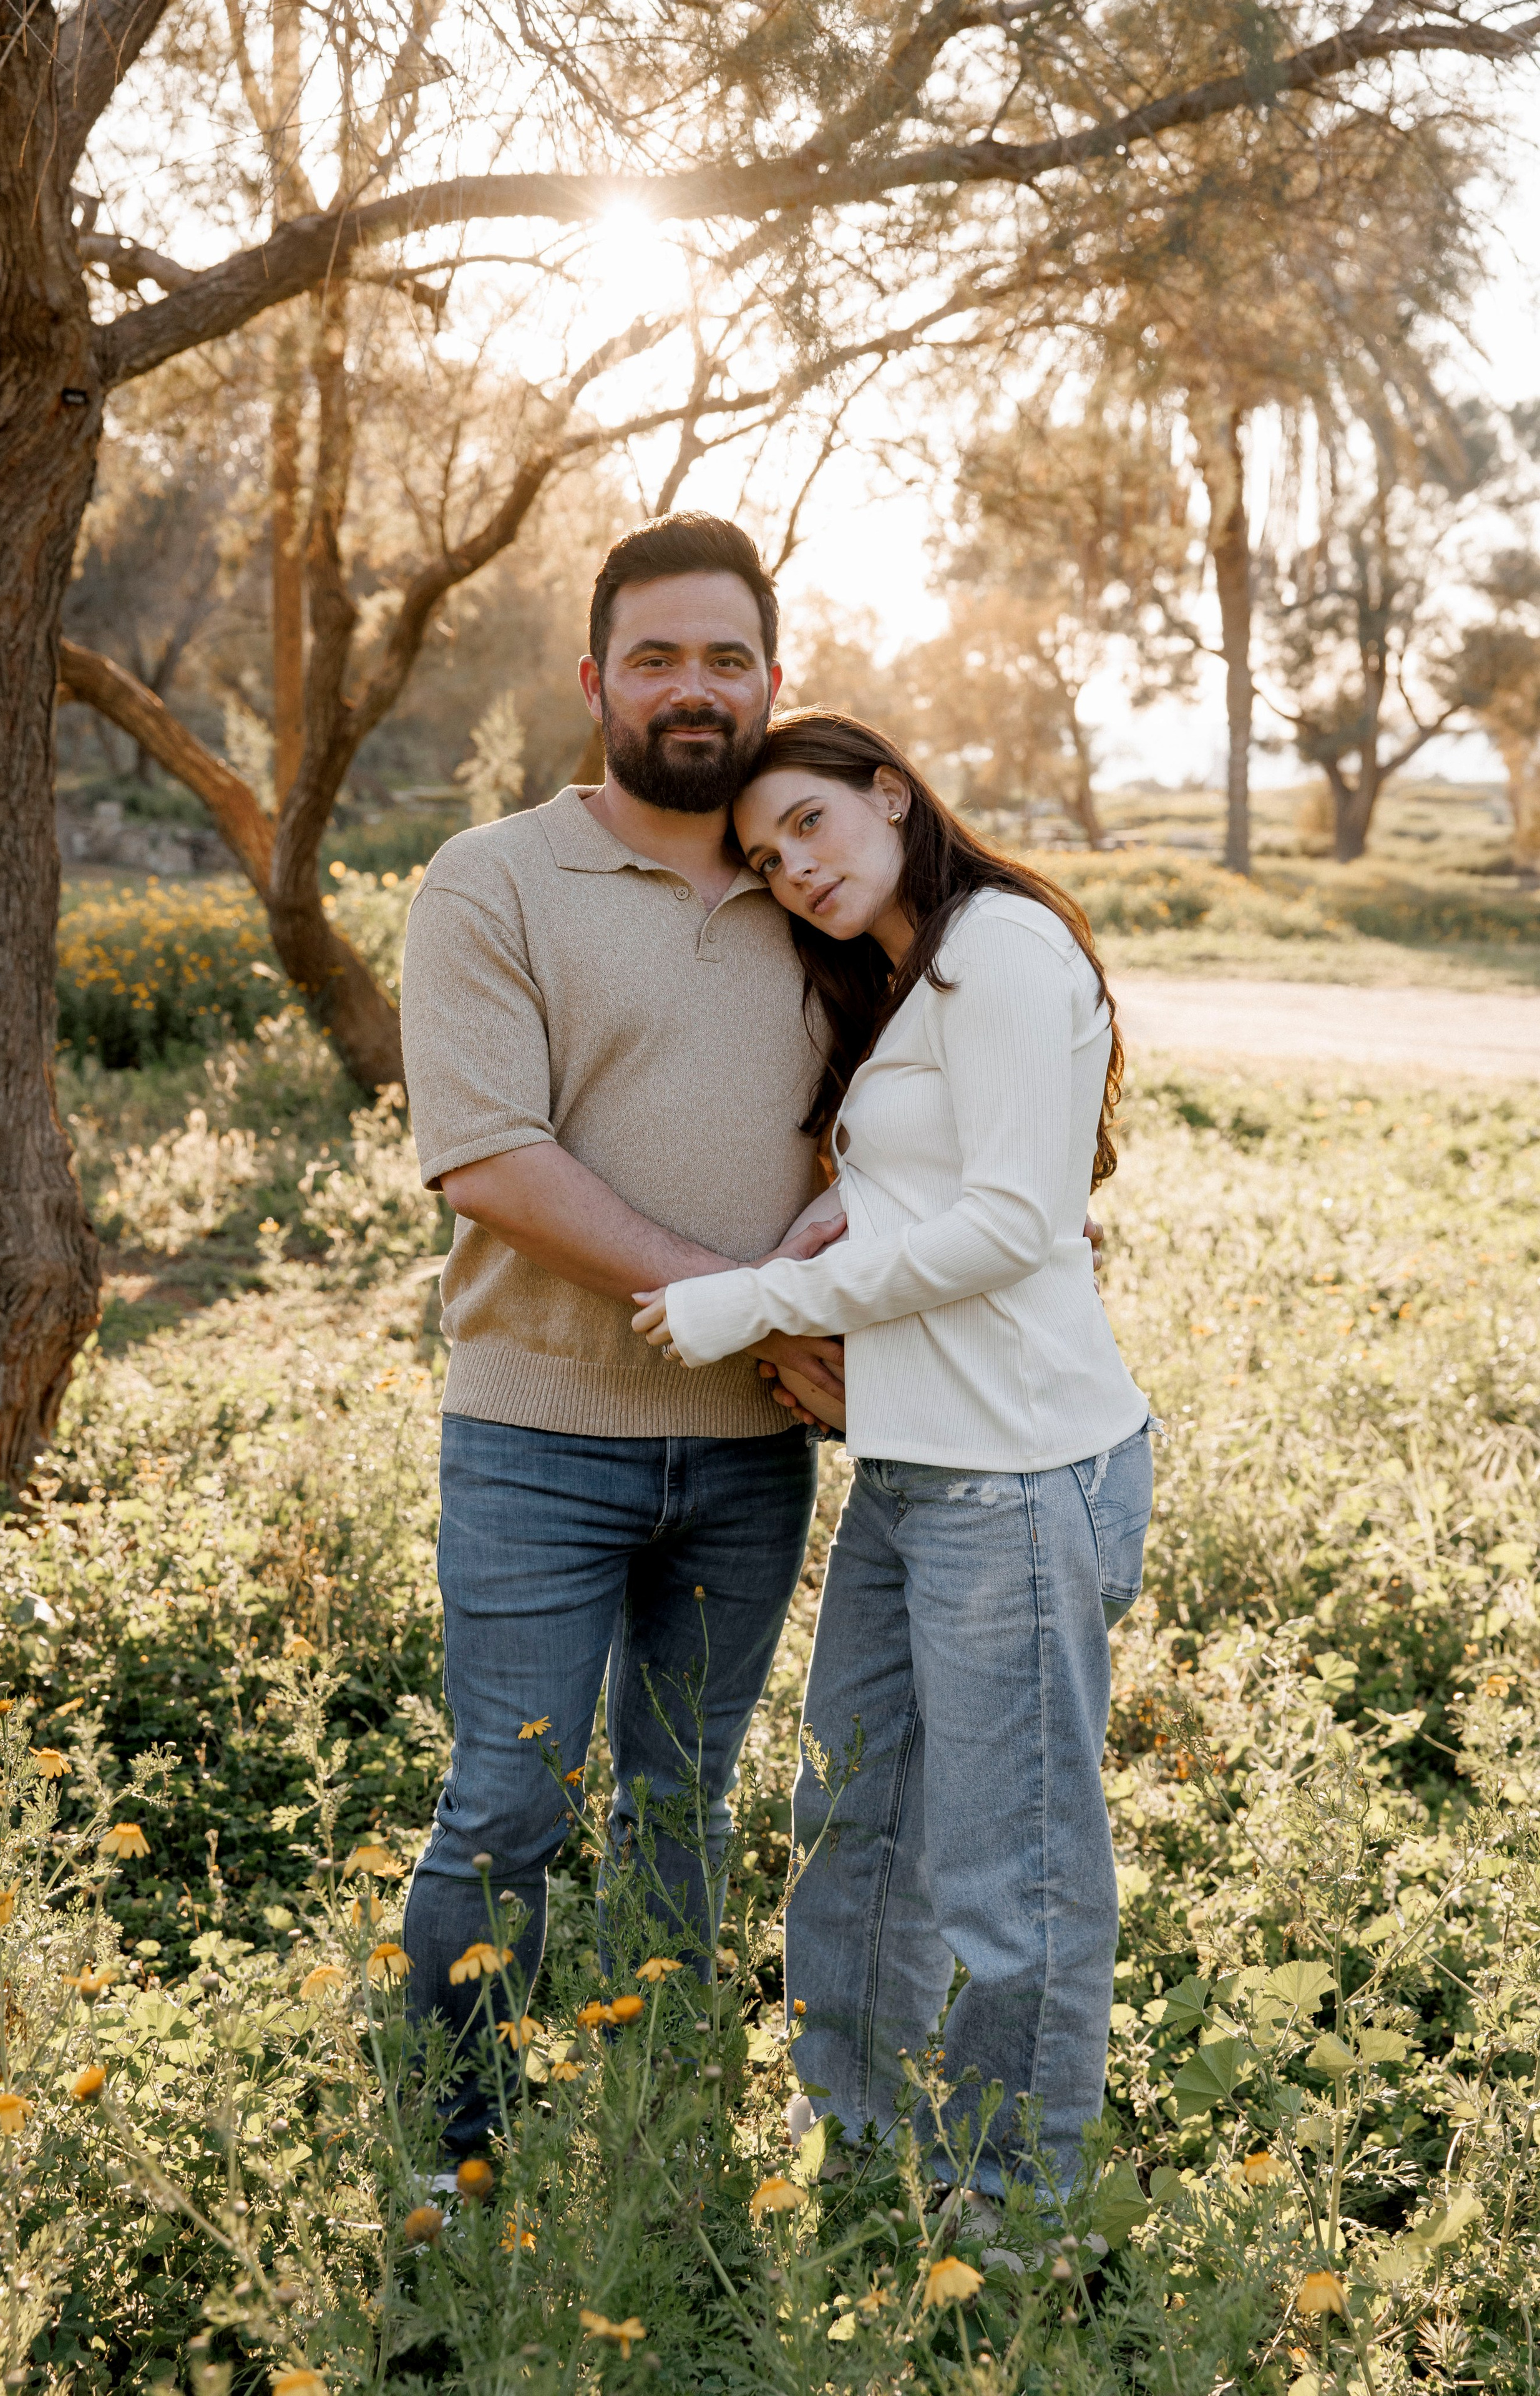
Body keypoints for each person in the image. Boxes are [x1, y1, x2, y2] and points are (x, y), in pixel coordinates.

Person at [631, 709, 1153, 2198]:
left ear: (889, 794)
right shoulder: (916, 975)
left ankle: (1010, 2218)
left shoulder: (1003, 949)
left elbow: (1013, 1224)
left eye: (808, 822)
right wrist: (827, 1220)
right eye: (761, 857)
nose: (792, 868)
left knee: (1012, 1879)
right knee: (852, 1827)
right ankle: (855, 2167)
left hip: (1017, 1478)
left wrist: (755, 1302)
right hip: (913, 1472)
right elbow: (933, 1190)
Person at [397, 516, 846, 2167]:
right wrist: (743, 1303)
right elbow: (489, 1160)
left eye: (726, 657)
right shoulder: (492, 880)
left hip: (753, 1451)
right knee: (506, 1804)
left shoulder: (817, 883)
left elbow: (902, 1117)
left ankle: (658, 2144)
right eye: (655, 657)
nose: (691, 688)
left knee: (682, 1807)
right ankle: (455, 2158)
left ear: (773, 681)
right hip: (535, 1436)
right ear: (594, 681)